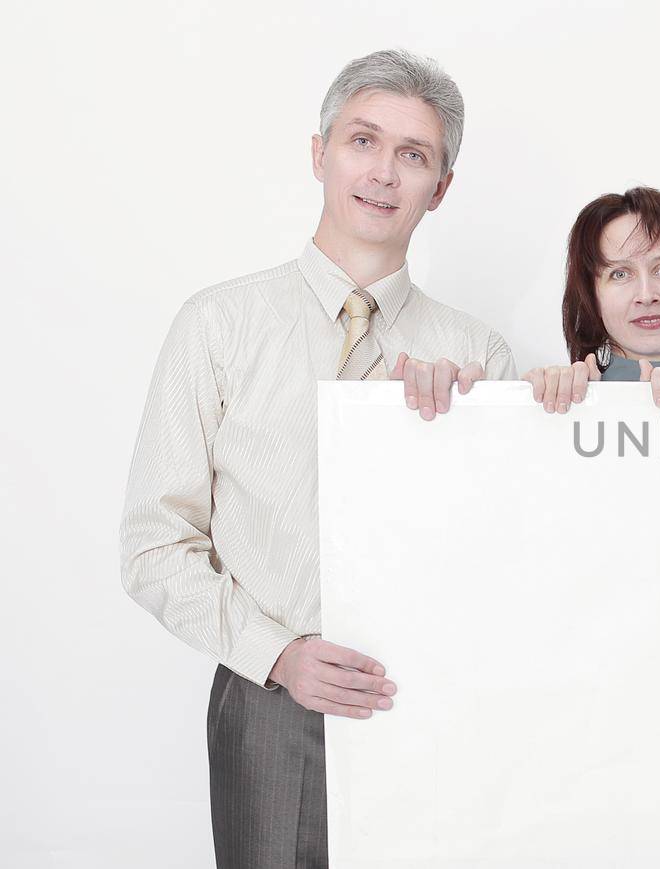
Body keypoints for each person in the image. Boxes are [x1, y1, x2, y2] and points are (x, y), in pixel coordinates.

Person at [118, 49, 515, 868]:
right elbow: (154, 542)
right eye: (362, 141)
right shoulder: (217, 325)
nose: (383, 173)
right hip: (267, 697)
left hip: (431, 700)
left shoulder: (476, 354)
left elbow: (506, 557)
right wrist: (279, 654)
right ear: (318, 153)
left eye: (414, 155)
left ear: (441, 187)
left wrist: (473, 433)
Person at [523, 186, 660, 416]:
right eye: (620, 274)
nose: (646, 296)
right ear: (592, 299)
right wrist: (519, 402)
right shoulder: (552, 401)